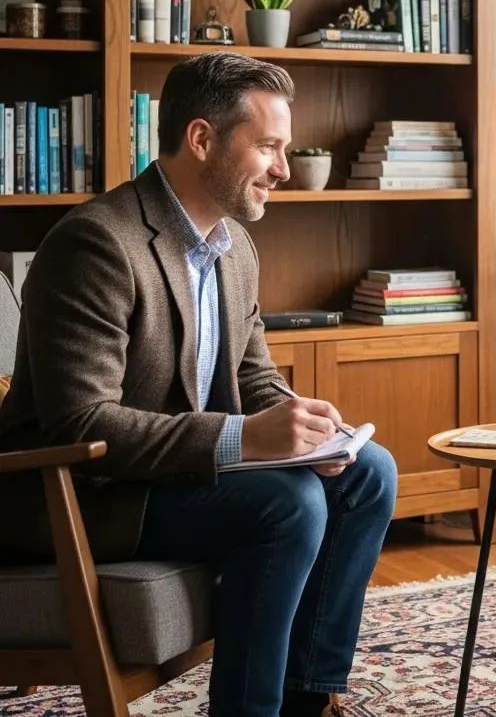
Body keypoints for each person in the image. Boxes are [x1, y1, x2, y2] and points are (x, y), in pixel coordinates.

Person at [0, 53, 397, 717]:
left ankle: (307, 697)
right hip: (82, 493)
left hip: (169, 477)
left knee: (369, 472)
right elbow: (83, 425)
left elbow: (254, 378)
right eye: (268, 146)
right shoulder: (97, 244)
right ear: (202, 139)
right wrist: (245, 438)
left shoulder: (234, 246)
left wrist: (305, 427)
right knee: (288, 504)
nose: (284, 169)